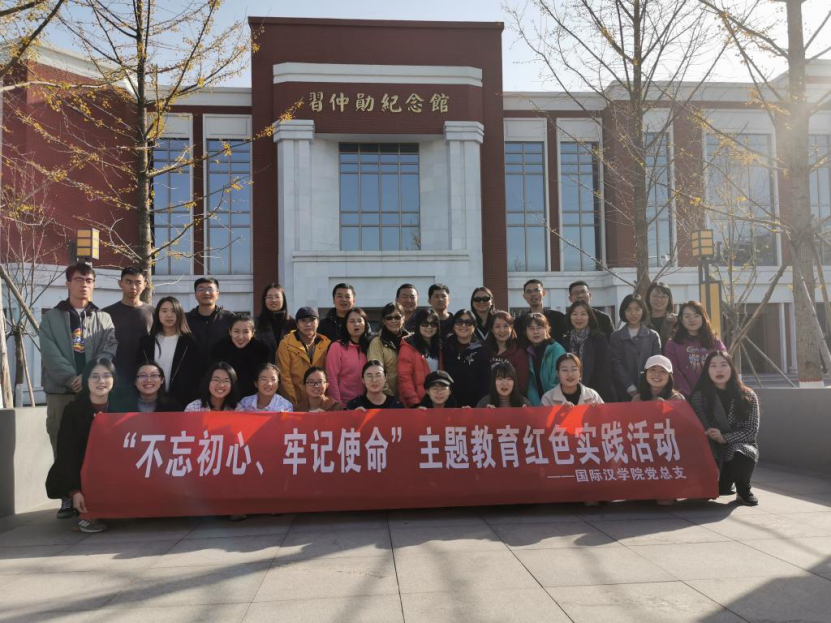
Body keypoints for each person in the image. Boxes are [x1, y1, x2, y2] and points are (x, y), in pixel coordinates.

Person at [40, 262, 117, 519]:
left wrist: (88, 377)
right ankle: (67, 496)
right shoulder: (51, 317)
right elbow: (49, 353)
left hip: (95, 392)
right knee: (62, 444)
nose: (84, 284)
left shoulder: (103, 318)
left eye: (89, 280)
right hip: (61, 392)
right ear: (68, 283)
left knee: (96, 443)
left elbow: (109, 348)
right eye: (78, 279)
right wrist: (72, 378)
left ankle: (95, 491)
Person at [46, 358, 118, 533]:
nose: (101, 381)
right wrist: (74, 491)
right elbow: (67, 453)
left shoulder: (122, 407)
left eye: (106, 375)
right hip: (84, 470)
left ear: (114, 379)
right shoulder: (73, 410)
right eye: (95, 376)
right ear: (86, 380)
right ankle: (86, 512)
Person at [691, 351, 761, 506]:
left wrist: (725, 438)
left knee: (740, 451)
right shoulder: (699, 397)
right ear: (707, 370)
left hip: (740, 446)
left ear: (731, 368)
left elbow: (750, 431)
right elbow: (702, 431)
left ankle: (743, 489)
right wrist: (713, 463)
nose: (719, 370)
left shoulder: (748, 396)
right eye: (713, 366)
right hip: (711, 449)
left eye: (723, 365)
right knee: (716, 490)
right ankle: (726, 482)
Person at [136, 296, 203, 407]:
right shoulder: (146, 342)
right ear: (158, 314)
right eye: (164, 311)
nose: (169, 315)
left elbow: (196, 374)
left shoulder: (190, 342)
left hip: (182, 401)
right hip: (151, 401)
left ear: (179, 314)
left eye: (173, 311)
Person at [665, 300, 727, 399]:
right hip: (685, 398)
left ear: (703, 318)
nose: (692, 319)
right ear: (681, 320)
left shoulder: (715, 342)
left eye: (696, 315)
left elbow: (724, 367)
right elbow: (674, 373)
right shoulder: (672, 344)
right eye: (687, 316)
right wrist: (691, 396)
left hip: (714, 396)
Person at [103, 267, 153, 382]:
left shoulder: (153, 313)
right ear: (120, 283)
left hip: (144, 379)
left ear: (145, 285)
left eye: (138, 283)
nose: (133, 287)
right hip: (112, 377)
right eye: (129, 282)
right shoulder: (106, 314)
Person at [609, 293, 662, 401]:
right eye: (629, 310)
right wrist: (631, 388)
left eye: (637, 309)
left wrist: (649, 386)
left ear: (643, 311)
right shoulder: (616, 336)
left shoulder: (652, 336)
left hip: (650, 390)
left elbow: (657, 363)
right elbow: (616, 364)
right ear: (623, 312)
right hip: (623, 392)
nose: (633, 313)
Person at [560, 301, 615, 402]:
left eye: (583, 314)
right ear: (569, 317)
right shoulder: (565, 341)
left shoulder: (599, 339)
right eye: (574, 314)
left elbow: (605, 371)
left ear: (589, 316)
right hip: (571, 396)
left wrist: (595, 396)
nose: (579, 318)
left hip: (595, 395)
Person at [442, 309, 491, 407]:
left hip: (474, 406)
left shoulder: (482, 350)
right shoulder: (445, 347)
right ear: (453, 326)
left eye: (468, 322)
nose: (463, 325)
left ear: (474, 327)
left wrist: (479, 406)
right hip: (448, 405)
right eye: (459, 322)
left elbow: (485, 383)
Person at [211, 313, 270, 394]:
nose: (241, 337)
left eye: (246, 332)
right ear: (230, 331)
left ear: (252, 333)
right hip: (225, 394)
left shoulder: (261, 350)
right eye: (236, 331)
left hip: (254, 397)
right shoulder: (219, 349)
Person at [325, 308, 371, 405]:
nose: (356, 324)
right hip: (344, 404)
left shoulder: (369, 347)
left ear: (365, 324)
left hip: (364, 403)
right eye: (352, 321)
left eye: (359, 321)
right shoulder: (336, 347)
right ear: (345, 325)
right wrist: (337, 404)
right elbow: (331, 377)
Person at [398, 308, 443, 407]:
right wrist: (414, 403)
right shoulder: (408, 346)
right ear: (418, 324)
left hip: (436, 402)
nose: (429, 327)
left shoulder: (439, 347)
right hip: (417, 404)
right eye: (425, 323)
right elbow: (404, 378)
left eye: (433, 324)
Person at [186, 277, 235, 359]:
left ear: (217, 294)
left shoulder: (230, 318)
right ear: (195, 295)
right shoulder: (185, 319)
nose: (206, 292)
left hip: (222, 366)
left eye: (210, 289)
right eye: (201, 289)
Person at [367, 302, 410, 397]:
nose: (393, 321)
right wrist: (391, 398)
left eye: (397, 317)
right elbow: (376, 374)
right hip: (387, 398)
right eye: (389, 318)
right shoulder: (377, 343)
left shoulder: (411, 341)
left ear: (403, 318)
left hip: (410, 397)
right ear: (384, 320)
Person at [524, 312, 566, 406]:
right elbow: (531, 386)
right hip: (538, 407)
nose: (535, 332)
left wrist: (546, 405)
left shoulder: (556, 349)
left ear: (546, 329)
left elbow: (556, 382)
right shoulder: (527, 352)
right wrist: (538, 407)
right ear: (526, 331)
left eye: (539, 328)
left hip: (556, 404)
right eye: (531, 328)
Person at [486, 311, 530, 396]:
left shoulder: (519, 353)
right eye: (497, 326)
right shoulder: (485, 352)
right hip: (489, 399)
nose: (502, 330)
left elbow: (522, 385)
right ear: (491, 329)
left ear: (511, 328)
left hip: (513, 400)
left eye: (506, 326)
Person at [514, 279, 566, 345]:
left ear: (543, 293)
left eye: (536, 290)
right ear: (524, 296)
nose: (533, 294)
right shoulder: (519, 321)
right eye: (529, 291)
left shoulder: (558, 317)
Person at [255, 283, 296, 362]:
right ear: (264, 300)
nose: (273, 300)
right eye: (269, 297)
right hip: (263, 368)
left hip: (288, 368)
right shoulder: (256, 324)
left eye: (277, 297)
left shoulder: (293, 324)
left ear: (283, 299)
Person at [645, 281, 678, 350]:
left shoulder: (676, 321)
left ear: (669, 299)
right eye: (655, 296)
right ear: (648, 298)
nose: (659, 299)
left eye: (663, 296)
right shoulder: (642, 322)